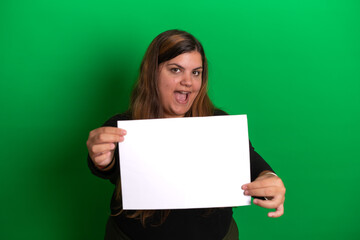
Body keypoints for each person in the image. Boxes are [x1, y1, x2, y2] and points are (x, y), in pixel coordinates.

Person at [86, 29, 286, 240]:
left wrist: (270, 180)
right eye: (176, 70)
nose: (188, 82)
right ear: (152, 73)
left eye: (196, 72)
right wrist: (102, 161)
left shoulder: (218, 123)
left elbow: (254, 165)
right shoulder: (123, 127)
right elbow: (105, 167)